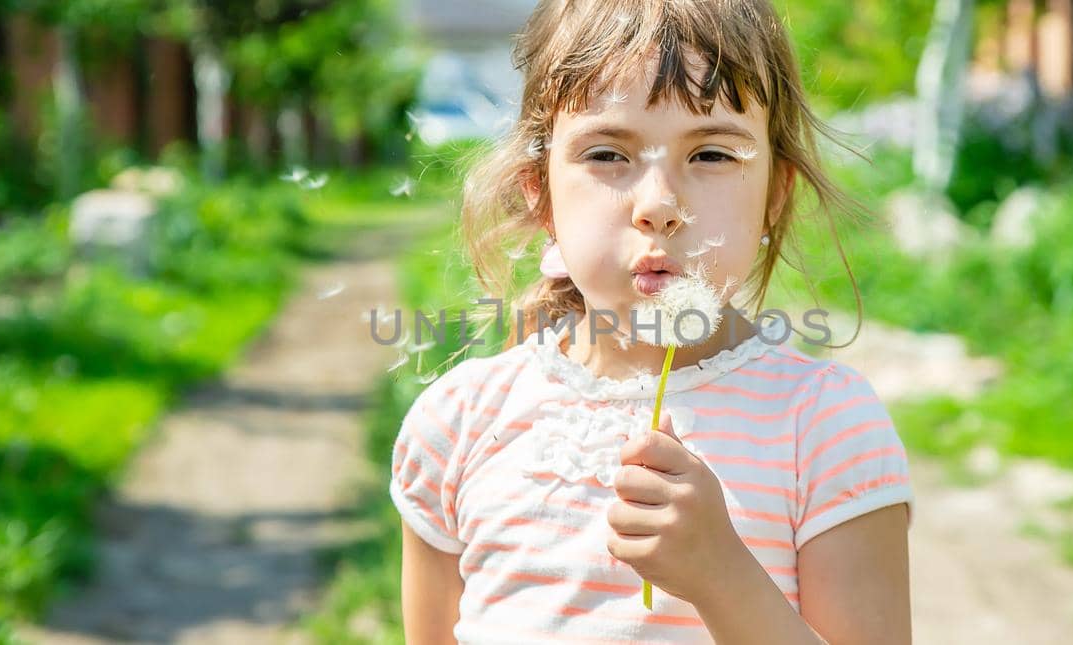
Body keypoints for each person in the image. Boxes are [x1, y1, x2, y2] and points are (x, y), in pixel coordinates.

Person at [390, 0, 914, 642]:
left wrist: (722, 575)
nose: (660, 206)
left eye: (713, 155)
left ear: (776, 194)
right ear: (540, 193)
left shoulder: (825, 427)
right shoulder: (458, 426)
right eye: (608, 153)